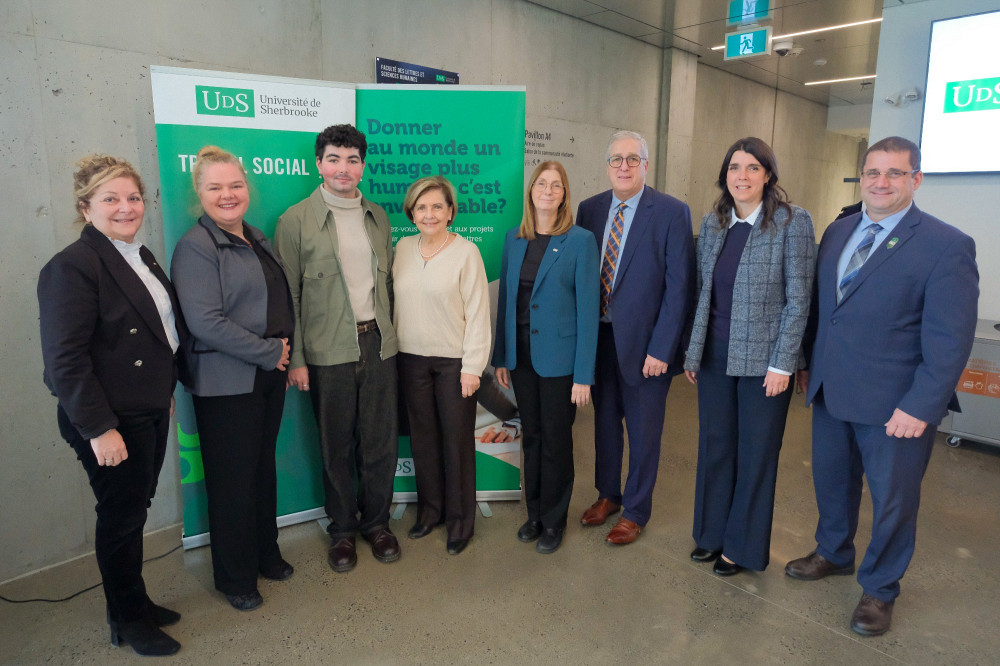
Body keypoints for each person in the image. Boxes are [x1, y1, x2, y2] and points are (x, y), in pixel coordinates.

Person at [785, 136, 979, 636]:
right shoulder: (838, 231)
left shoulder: (945, 245)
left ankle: (880, 588)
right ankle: (834, 552)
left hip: (896, 405)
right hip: (831, 391)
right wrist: (808, 365)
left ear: (916, 179)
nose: (881, 182)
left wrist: (921, 405)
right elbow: (825, 311)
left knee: (893, 500)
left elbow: (949, 339)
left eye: (895, 173)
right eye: (873, 172)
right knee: (831, 482)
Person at [38, 155, 184, 656]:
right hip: (107, 420)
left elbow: (155, 336)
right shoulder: (71, 267)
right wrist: (100, 429)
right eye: (111, 199)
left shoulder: (136, 255)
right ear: (86, 207)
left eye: (133, 197)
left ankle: (135, 603)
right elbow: (64, 361)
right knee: (121, 519)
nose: (126, 207)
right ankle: (127, 619)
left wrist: (162, 391)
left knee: (133, 511)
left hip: (145, 408)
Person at [682, 137, 815, 576]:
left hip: (764, 367)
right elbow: (704, 294)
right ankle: (710, 535)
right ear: (725, 176)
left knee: (756, 455)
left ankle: (739, 546)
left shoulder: (792, 223)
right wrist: (693, 352)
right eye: (735, 168)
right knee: (715, 449)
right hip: (715, 358)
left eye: (752, 168)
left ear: (768, 176)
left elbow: (799, 299)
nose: (742, 176)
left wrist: (783, 363)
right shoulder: (714, 222)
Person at [171, 146, 294, 611]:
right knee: (232, 482)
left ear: (248, 188)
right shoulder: (195, 247)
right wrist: (269, 352)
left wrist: (279, 357)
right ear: (198, 194)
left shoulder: (255, 237)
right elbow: (206, 322)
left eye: (236, 185)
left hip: (266, 376)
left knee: (262, 471)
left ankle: (266, 554)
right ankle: (236, 578)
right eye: (215, 187)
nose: (228, 195)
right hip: (226, 384)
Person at [274, 124, 400, 573]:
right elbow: (288, 297)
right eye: (333, 159)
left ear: (363, 166)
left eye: (351, 160)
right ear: (319, 164)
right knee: (336, 446)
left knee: (380, 444)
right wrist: (299, 361)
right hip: (328, 354)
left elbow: (385, 284)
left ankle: (378, 525)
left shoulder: (379, 216)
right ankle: (343, 530)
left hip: (380, 346)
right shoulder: (294, 220)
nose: (343, 168)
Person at [575, 130, 695, 545]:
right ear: (607, 166)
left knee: (644, 433)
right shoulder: (588, 210)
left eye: (632, 159)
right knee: (604, 426)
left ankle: (637, 509)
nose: (623, 166)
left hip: (647, 348)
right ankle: (608, 494)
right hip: (601, 341)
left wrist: (663, 348)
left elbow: (680, 287)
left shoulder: (671, 212)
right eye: (616, 160)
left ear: (646, 165)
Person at [492, 161, 599, 554]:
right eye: (541, 183)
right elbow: (507, 300)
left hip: (560, 363)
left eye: (556, 185)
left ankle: (554, 521)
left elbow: (590, 312)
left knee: (556, 442)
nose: (548, 190)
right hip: (521, 358)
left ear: (564, 194)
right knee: (532, 438)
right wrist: (501, 356)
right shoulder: (514, 239)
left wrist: (584, 375)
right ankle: (534, 514)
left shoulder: (580, 241)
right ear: (531, 191)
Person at [394, 175, 491, 555]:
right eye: (421, 207)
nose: (429, 213)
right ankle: (429, 512)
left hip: (455, 365)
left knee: (456, 445)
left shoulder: (467, 253)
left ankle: (460, 524)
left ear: (451, 211)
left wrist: (472, 368)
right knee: (423, 442)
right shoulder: (402, 248)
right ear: (411, 212)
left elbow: (479, 315)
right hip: (410, 360)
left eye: (437, 206)